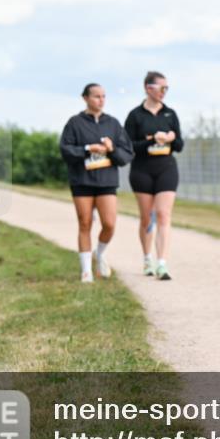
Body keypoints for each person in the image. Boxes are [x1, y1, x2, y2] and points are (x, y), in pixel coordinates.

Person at [60, 83, 134, 283]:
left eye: (103, 96)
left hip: (106, 181)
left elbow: (127, 155)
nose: (101, 100)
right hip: (82, 180)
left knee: (109, 224)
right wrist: (87, 149)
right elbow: (65, 150)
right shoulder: (74, 123)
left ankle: (100, 254)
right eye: (96, 96)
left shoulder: (113, 124)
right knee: (84, 223)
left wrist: (111, 149)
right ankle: (86, 272)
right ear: (85, 98)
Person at [124, 71, 183, 280]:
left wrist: (171, 138)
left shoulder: (170, 114)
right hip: (142, 170)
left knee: (164, 214)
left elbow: (179, 145)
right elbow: (129, 147)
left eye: (167, 88)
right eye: (161, 88)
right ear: (149, 88)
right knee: (147, 217)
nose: (165, 92)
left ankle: (162, 263)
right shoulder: (135, 116)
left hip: (166, 167)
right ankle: (147, 257)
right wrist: (152, 140)